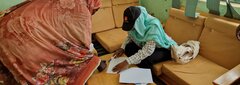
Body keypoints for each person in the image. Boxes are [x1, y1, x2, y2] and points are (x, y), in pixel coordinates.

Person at [0, 0, 101, 84]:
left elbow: (63, 36)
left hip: (5, 28)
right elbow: (80, 45)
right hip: (23, 36)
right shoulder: (80, 6)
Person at [112, 6, 177, 83]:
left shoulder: (153, 26)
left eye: (132, 26)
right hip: (147, 45)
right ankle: (136, 67)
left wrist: (126, 62)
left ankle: (144, 79)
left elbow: (147, 51)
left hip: (163, 48)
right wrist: (122, 47)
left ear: (138, 23)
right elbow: (130, 36)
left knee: (146, 59)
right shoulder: (134, 20)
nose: (132, 29)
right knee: (128, 47)